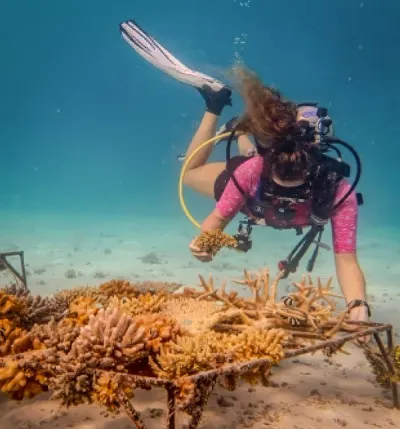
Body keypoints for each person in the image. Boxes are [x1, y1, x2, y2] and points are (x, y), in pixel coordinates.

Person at [119, 19, 370, 328]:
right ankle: (216, 106)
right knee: (190, 173)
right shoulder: (252, 171)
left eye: (296, 186)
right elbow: (216, 224)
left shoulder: (337, 190)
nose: (289, 192)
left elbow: (346, 258)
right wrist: (205, 246)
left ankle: (239, 130)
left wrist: (358, 305)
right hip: (248, 184)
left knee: (248, 157)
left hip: (255, 179)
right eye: (282, 182)